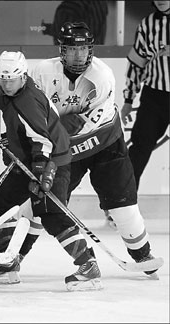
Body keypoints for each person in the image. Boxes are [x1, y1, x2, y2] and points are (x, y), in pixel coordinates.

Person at [29, 22, 161, 278]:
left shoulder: (102, 76)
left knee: (123, 207)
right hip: (66, 150)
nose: (78, 56)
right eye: (71, 49)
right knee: (44, 202)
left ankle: (142, 254)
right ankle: (16, 255)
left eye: (84, 49)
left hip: (105, 145)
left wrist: (47, 131)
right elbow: (35, 111)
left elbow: (80, 124)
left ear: (91, 50)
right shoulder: (43, 72)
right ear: (61, 50)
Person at [0, 51, 102, 291]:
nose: (6, 84)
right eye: (2, 79)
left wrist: (40, 171)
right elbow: (3, 98)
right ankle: (8, 260)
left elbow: (42, 141)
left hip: (51, 161)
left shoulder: (28, 102)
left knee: (51, 214)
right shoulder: (13, 89)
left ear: (23, 76)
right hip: (25, 161)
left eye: (11, 79)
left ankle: (88, 265)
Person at [121, 0, 170, 190]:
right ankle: (124, 204)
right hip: (154, 97)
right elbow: (137, 63)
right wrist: (128, 101)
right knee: (139, 149)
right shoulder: (147, 24)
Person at [41, 0, 108, 45]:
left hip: (74, 57)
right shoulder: (100, 3)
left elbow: (63, 34)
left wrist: (47, 29)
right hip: (96, 55)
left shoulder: (68, 7)